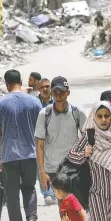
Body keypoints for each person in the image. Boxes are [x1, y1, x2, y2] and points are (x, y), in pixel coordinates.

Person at [0, 69, 42, 221]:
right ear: (21, 80)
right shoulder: (35, 102)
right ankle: (32, 218)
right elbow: (41, 131)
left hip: (9, 155)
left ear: (6, 83)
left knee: (12, 195)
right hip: (30, 154)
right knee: (29, 188)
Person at [35, 76, 86, 206]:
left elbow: (87, 138)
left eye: (61, 92)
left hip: (72, 166)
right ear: (52, 93)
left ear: (68, 92)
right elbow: (39, 144)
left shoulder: (77, 112)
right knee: (63, 205)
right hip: (52, 168)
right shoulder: (44, 114)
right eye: (55, 92)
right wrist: (42, 172)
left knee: (76, 203)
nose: (58, 95)